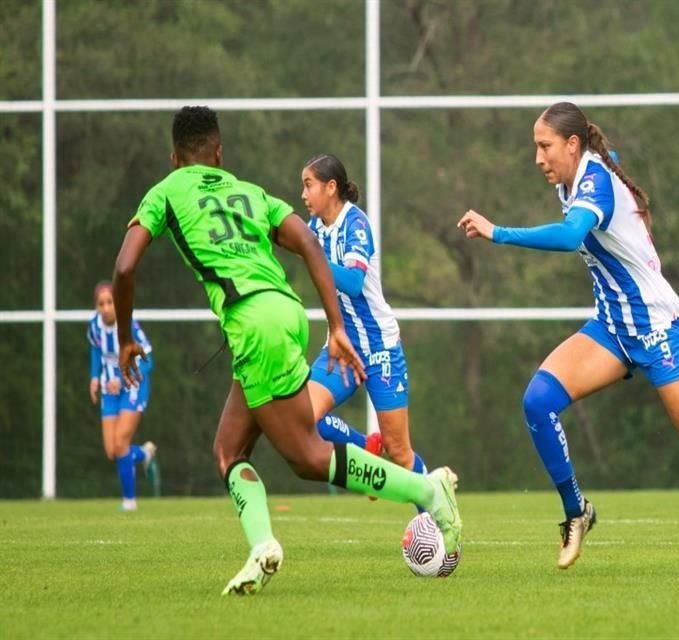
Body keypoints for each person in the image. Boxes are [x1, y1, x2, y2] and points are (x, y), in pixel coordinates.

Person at [112, 106, 462, 596]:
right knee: (229, 449)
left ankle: (427, 489)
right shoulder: (248, 191)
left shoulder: (165, 192)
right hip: (286, 316)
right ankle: (261, 547)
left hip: (256, 329)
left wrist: (126, 338)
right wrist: (335, 327)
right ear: (219, 152)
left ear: (174, 158)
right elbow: (308, 246)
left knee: (308, 457)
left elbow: (125, 269)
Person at [457, 101, 679, 578]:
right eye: (535, 147)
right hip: (612, 329)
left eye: (544, 146)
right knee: (538, 401)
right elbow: (611, 169)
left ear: (573, 144)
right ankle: (576, 511)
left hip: (657, 331)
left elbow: (568, 237)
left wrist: (497, 232)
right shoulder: (584, 173)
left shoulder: (593, 181)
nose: (537, 158)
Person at [300, 155, 429, 486]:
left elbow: (354, 283)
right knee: (304, 420)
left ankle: (441, 518)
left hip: (379, 348)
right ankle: (364, 447)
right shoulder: (313, 229)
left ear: (331, 188)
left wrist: (309, 253)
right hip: (341, 347)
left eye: (308, 185)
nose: (303, 194)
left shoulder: (356, 224)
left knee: (400, 452)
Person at [87, 281, 158, 511]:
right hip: (110, 391)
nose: (106, 308)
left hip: (133, 387)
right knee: (112, 450)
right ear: (96, 307)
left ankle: (129, 501)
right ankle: (144, 453)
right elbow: (96, 350)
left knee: (120, 443)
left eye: (110, 302)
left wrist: (124, 375)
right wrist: (95, 378)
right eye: (101, 304)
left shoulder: (130, 328)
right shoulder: (95, 327)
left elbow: (149, 361)